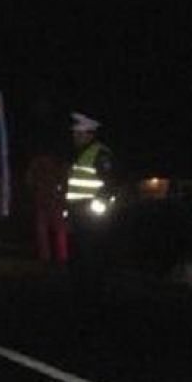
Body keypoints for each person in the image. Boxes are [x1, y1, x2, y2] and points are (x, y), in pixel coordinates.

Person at [65, 112, 115, 313]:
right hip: (78, 213)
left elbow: (109, 184)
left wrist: (96, 210)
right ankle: (82, 297)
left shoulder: (100, 153)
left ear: (88, 134)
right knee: (79, 258)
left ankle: (93, 299)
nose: (74, 137)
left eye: (77, 133)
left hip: (90, 215)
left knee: (91, 257)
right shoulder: (81, 154)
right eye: (74, 133)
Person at [26, 150, 69, 267]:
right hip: (52, 201)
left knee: (46, 230)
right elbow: (65, 183)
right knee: (57, 230)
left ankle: (48, 257)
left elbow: (29, 181)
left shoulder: (38, 163)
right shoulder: (58, 163)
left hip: (47, 201)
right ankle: (60, 257)